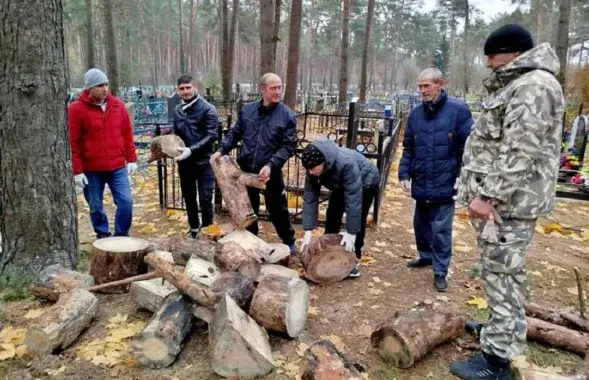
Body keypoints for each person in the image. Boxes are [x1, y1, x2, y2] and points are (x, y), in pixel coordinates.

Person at [449, 24, 564, 380]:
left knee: (502, 272)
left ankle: (496, 361)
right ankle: (500, 328)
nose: (487, 63)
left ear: (514, 52)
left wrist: (488, 195)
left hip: (506, 205)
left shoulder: (533, 87)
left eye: (492, 55)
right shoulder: (522, 83)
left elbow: (520, 149)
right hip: (506, 203)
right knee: (499, 272)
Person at [398, 67, 473, 292]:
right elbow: (409, 147)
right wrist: (404, 173)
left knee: (441, 229)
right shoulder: (415, 115)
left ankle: (440, 270)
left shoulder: (458, 111)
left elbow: (467, 149)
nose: (422, 91)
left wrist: (463, 175)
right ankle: (426, 256)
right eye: (420, 86)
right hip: (421, 179)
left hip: (445, 180)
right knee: (420, 225)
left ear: (440, 84)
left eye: (427, 86)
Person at [211, 73, 297, 253]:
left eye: (279, 87)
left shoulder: (287, 115)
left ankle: (288, 241)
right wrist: (220, 151)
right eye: (273, 88)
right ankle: (251, 240)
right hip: (246, 169)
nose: (278, 91)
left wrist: (271, 164)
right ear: (262, 89)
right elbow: (235, 134)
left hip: (269, 172)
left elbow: (288, 146)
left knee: (278, 209)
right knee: (248, 208)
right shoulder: (248, 111)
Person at [68, 68, 137, 239]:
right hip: (91, 169)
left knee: (126, 202)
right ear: (89, 88)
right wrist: (77, 171)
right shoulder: (76, 109)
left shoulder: (117, 105)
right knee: (95, 206)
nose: (104, 88)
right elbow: (73, 142)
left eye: (106, 84)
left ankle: (121, 235)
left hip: (117, 166)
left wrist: (131, 159)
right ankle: (103, 236)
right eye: (99, 85)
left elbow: (126, 133)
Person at [299, 139, 380, 277]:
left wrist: (351, 233)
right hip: (340, 184)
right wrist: (308, 229)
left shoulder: (345, 163)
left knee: (357, 218)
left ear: (322, 162)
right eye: (308, 170)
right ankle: (327, 251)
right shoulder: (312, 168)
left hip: (366, 181)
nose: (311, 172)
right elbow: (310, 198)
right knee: (332, 214)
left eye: (313, 168)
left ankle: (354, 260)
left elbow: (353, 202)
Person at [172, 74, 219, 238]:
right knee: (189, 197)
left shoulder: (208, 109)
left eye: (188, 88)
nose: (185, 91)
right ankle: (193, 229)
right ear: (177, 90)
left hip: (204, 161)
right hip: (184, 163)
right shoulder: (177, 110)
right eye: (182, 89)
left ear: (195, 88)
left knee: (206, 198)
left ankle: (208, 233)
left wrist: (191, 149)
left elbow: (212, 135)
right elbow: (177, 134)